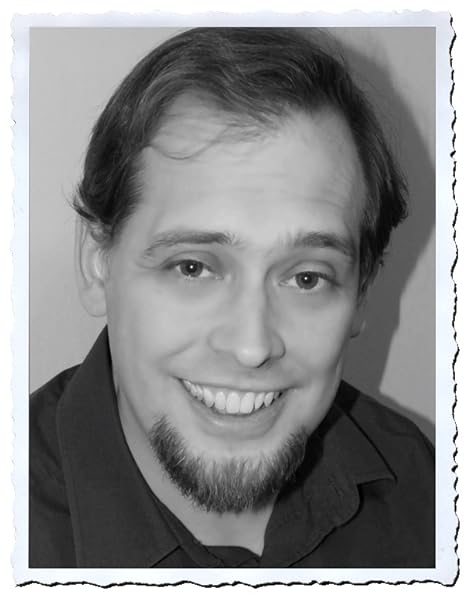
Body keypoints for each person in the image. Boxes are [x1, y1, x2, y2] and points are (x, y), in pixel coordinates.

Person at [29, 27, 434, 569]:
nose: (251, 346)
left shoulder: (419, 484)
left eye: (307, 278)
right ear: (98, 263)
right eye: (193, 267)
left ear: (361, 294)